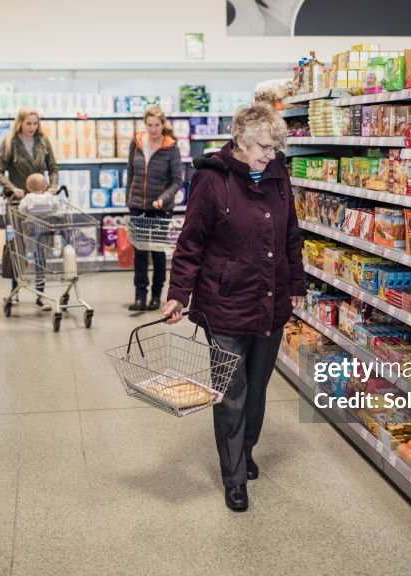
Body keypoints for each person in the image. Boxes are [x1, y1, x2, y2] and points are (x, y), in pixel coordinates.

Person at [162, 103, 305, 512]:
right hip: (224, 302)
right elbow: (191, 242)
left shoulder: (278, 175)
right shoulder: (212, 178)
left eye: (276, 147)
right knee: (231, 392)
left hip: (270, 300)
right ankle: (234, 475)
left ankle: (247, 447)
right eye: (264, 146)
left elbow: (290, 234)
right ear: (240, 140)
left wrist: (295, 283)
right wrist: (179, 293)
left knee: (257, 387)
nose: (271, 154)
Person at [0, 107, 59, 309]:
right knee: (17, 248)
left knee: (40, 248)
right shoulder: (10, 143)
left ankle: (41, 294)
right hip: (17, 205)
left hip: (40, 204)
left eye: (35, 123)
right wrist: (12, 188)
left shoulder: (43, 142)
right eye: (28, 123)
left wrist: (53, 186)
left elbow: (53, 168)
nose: (32, 127)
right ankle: (15, 291)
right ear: (20, 123)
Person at [125, 106, 183, 312]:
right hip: (137, 206)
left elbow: (177, 180)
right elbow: (130, 172)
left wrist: (163, 198)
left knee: (157, 254)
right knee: (139, 253)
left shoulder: (171, 147)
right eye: (149, 125)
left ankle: (156, 296)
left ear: (163, 124)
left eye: (157, 125)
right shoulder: (137, 142)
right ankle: (140, 296)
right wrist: (129, 199)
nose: (153, 129)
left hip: (160, 208)